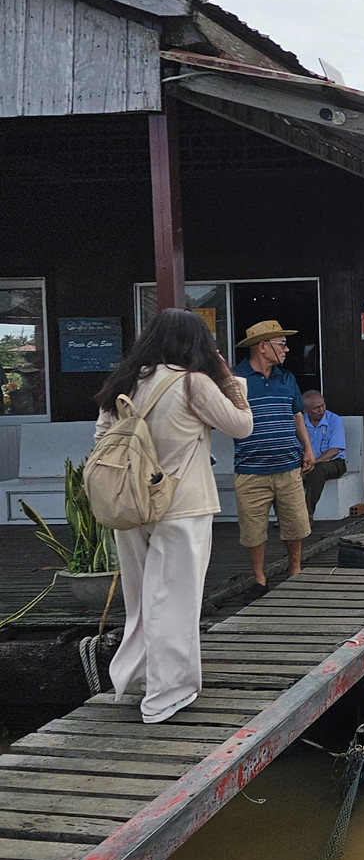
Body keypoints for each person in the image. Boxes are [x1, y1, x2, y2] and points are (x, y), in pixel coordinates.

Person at [93, 309, 253, 723]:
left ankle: (138, 676)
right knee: (176, 601)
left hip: (131, 504)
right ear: (196, 343)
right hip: (181, 505)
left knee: (142, 601)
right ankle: (166, 695)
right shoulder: (192, 382)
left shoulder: (126, 382)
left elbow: (101, 439)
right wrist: (228, 379)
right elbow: (241, 426)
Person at [233, 320, 315, 597]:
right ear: (263, 346)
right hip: (250, 468)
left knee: (295, 524)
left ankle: (295, 570)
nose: (286, 349)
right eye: (281, 344)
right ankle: (260, 579)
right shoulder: (236, 380)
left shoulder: (286, 378)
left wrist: (308, 448)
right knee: (253, 530)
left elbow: (297, 415)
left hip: (289, 465)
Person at [300, 389, 347, 519]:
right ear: (305, 410)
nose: (321, 409)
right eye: (316, 408)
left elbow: (335, 450)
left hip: (333, 462)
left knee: (318, 470)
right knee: (285, 468)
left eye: (323, 405)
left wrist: (313, 463)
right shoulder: (300, 422)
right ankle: (284, 517)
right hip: (306, 461)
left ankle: (307, 514)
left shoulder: (334, 420)